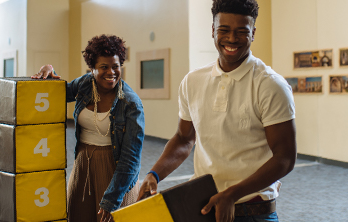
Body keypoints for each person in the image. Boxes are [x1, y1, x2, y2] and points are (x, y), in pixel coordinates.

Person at [137, 1, 297, 222]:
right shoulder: (192, 81)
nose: (232, 38)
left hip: (253, 212)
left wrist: (232, 194)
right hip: (204, 209)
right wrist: (154, 174)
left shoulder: (270, 85)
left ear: (253, 33)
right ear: (213, 30)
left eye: (242, 31)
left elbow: (285, 158)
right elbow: (184, 139)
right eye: (224, 30)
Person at [32, 34, 144, 222]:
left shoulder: (131, 103)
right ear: (92, 68)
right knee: (77, 216)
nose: (111, 72)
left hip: (116, 171)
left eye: (116, 66)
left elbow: (131, 160)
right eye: (104, 67)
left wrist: (111, 200)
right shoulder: (85, 84)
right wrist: (49, 71)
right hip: (83, 165)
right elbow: (57, 93)